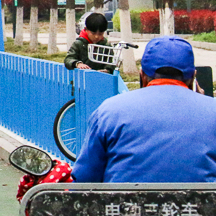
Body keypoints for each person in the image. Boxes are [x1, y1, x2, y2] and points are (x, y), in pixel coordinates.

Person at [72, 36, 216, 183]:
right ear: (193, 77)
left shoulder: (109, 111)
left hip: (123, 205)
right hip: (201, 206)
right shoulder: (212, 111)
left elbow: (84, 178)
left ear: (142, 76)